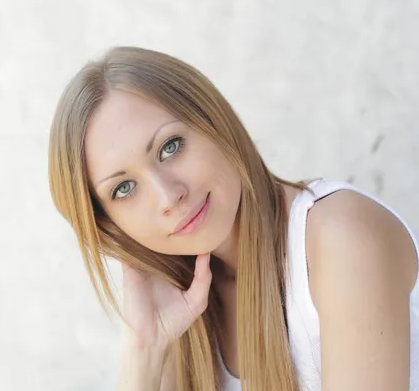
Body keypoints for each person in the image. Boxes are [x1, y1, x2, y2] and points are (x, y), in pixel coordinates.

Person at [47, 46, 419, 391]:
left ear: (214, 121)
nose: (167, 196)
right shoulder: (181, 312)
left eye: (170, 147)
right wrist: (143, 353)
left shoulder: (340, 238)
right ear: (109, 225)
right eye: (125, 188)